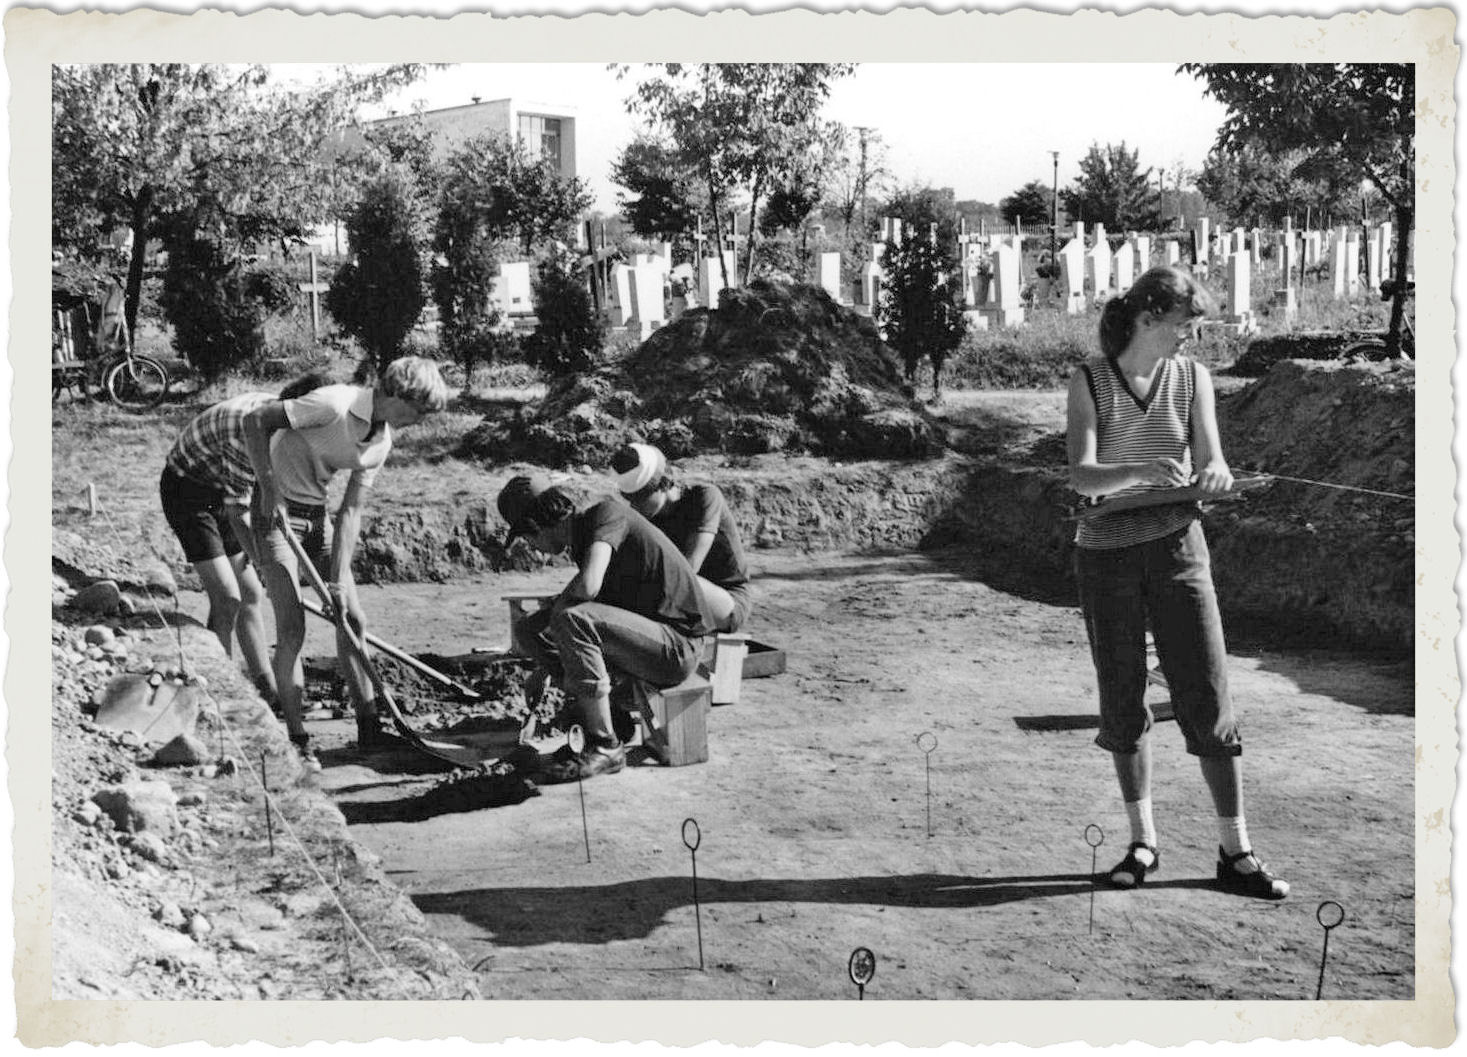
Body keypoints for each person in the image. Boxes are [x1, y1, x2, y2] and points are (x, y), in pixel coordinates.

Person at [1065, 266, 1288, 900]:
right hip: (1106, 558)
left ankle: (1235, 850)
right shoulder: (1088, 380)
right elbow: (1083, 478)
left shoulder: (1193, 379)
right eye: (1186, 325)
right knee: (1123, 695)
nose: (1191, 338)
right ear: (1149, 318)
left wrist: (1213, 473)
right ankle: (1142, 842)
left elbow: (1210, 458)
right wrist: (1139, 469)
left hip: (1178, 550)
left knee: (1207, 691)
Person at [244, 356, 449, 769]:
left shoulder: (381, 441)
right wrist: (269, 489)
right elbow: (255, 421)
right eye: (416, 410)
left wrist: (338, 580)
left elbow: (352, 512)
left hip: (315, 517)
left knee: (351, 618)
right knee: (292, 628)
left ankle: (369, 727)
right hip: (274, 517)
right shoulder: (334, 404)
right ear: (395, 394)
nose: (418, 420)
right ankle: (297, 738)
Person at [497, 474, 716, 783]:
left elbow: (588, 586)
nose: (534, 549)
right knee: (528, 629)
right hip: (652, 639)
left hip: (678, 647)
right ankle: (604, 715)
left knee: (571, 617)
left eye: (529, 539)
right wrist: (544, 664)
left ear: (537, 525)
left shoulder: (604, 516)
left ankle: (605, 744)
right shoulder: (583, 539)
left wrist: (557, 614)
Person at [158, 373, 329, 705]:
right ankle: (215, 691)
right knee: (227, 597)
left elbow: (258, 498)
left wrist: (267, 556)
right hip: (188, 490)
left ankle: (264, 687)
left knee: (251, 591)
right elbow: (238, 511)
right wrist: (267, 562)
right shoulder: (248, 431)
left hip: (225, 490)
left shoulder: (281, 420)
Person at [609, 442, 754, 633]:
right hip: (681, 596)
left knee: (659, 583)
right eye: (630, 500)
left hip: (727, 602)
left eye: (639, 499)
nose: (634, 507)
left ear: (661, 485)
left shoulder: (704, 497)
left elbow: (688, 571)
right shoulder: (649, 516)